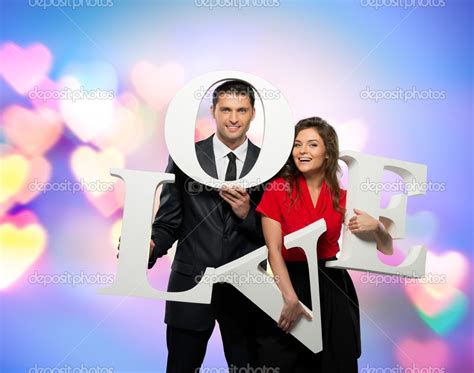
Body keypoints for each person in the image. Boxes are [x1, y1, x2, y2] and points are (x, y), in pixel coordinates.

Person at [254, 117, 393, 372]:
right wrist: (290, 298)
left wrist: (378, 227)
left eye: (312, 144)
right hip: (288, 283)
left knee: (336, 362)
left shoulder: (343, 197)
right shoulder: (277, 189)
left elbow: (386, 249)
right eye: (297, 145)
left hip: (333, 286)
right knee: (284, 361)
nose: (302, 151)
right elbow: (273, 250)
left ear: (328, 153)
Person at [147, 80, 265, 372]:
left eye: (241, 110)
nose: (233, 118)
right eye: (226, 109)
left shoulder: (270, 164)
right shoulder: (186, 156)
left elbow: (276, 235)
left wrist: (247, 213)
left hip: (247, 293)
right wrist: (149, 247)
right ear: (213, 110)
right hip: (190, 287)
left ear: (253, 114)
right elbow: (168, 222)